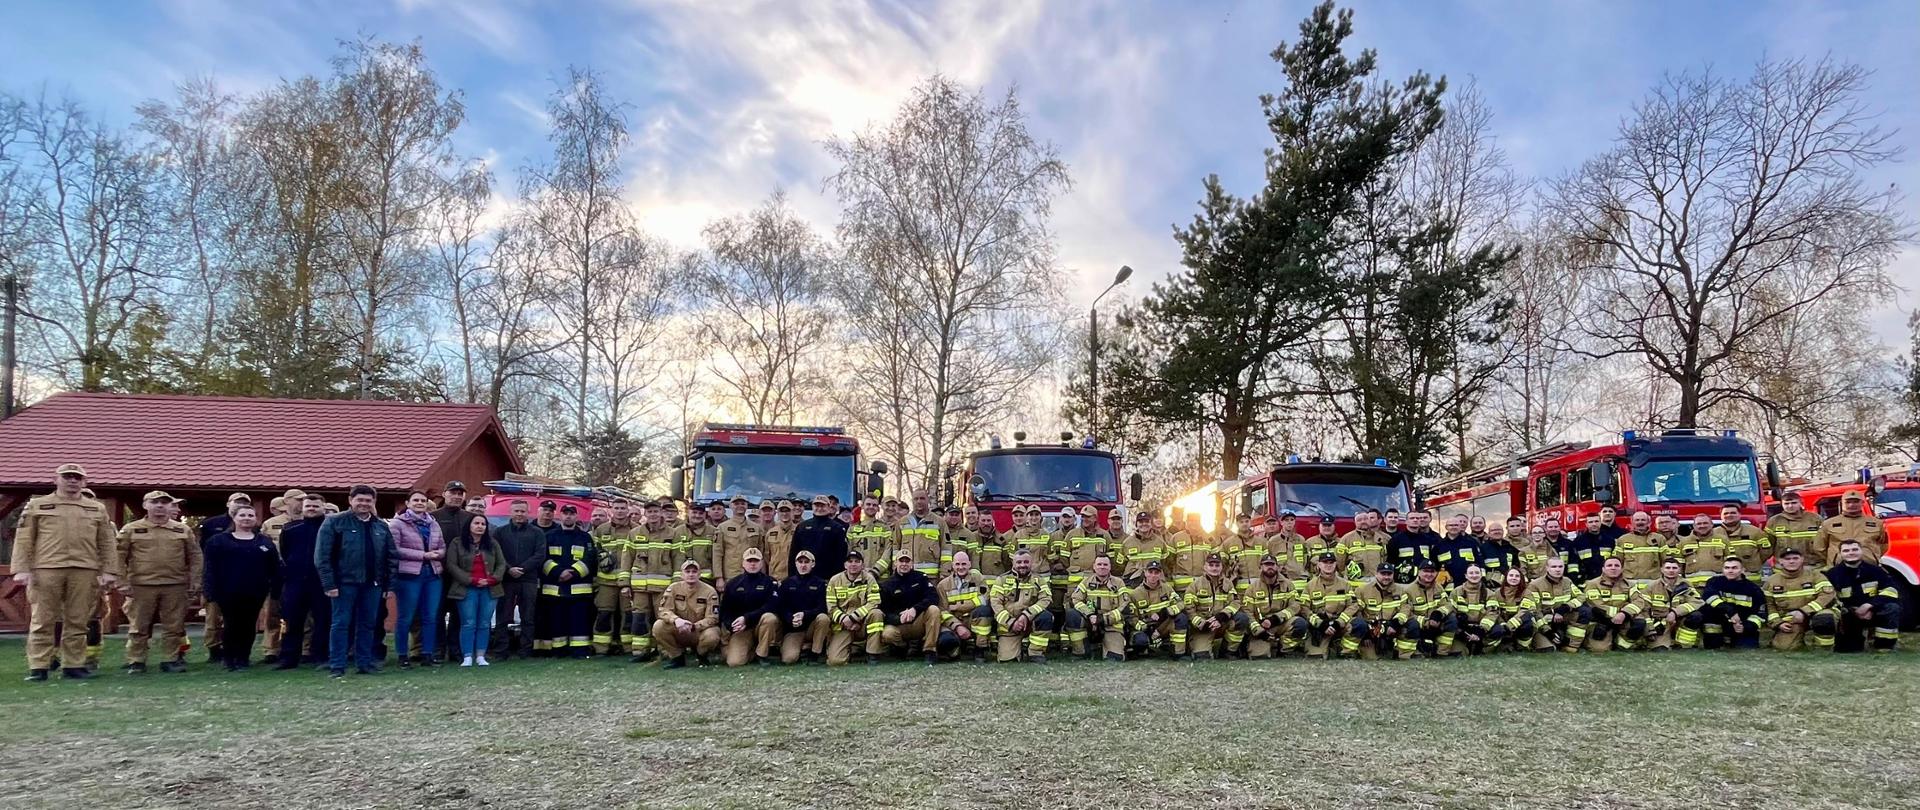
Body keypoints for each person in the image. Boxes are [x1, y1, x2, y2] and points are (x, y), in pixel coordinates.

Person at [13, 463, 119, 681]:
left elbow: (107, 542)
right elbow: (24, 539)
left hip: (84, 569)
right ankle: (39, 666)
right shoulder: (38, 505)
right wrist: (22, 569)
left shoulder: (96, 508)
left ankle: (73, 665)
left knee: (78, 620)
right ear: (57, 480)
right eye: (67, 476)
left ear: (84, 482)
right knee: (43, 619)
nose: (72, 480)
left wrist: (109, 570)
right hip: (47, 568)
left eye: (77, 477)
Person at [116, 491, 199, 675]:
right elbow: (119, 556)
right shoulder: (131, 529)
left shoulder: (182, 529)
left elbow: (194, 557)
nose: (160, 506)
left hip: (175, 584)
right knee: (139, 626)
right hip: (141, 585)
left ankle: (170, 660)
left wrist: (194, 581)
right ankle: (136, 661)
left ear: (170, 506)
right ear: (146, 505)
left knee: (174, 626)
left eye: (164, 502)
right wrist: (121, 582)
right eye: (155, 502)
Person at [318, 485, 393, 678]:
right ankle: (337, 665)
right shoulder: (335, 522)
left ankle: (364, 663)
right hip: (344, 583)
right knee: (341, 624)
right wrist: (329, 584)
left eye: (368, 500)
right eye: (360, 500)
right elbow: (322, 556)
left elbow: (390, 557)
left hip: (372, 584)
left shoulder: (381, 526)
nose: (364, 504)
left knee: (368, 624)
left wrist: (388, 585)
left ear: (373, 503)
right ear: (350, 500)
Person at [202, 505, 281, 670]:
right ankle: (229, 659)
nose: (247, 518)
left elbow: (274, 568)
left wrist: (275, 588)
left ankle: (243, 657)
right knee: (231, 624)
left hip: (255, 591)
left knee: (248, 625)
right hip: (227, 591)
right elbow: (210, 568)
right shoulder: (218, 541)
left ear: (255, 519)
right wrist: (209, 590)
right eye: (242, 515)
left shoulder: (264, 542)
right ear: (234, 518)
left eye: (251, 515)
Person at [389, 491, 447, 668]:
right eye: (416, 500)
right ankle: (402, 655)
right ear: (408, 503)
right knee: (406, 617)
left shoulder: (433, 523)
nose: (420, 503)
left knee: (430, 617)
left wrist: (439, 553)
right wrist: (423, 555)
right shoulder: (398, 523)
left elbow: (442, 546)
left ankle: (427, 654)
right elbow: (395, 549)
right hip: (409, 575)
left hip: (432, 575)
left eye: (423, 500)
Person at [273, 494, 330, 669]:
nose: (312, 508)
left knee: (323, 621)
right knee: (292, 622)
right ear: (303, 508)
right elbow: (285, 552)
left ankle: (320, 657)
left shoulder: (330, 528)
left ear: (323, 508)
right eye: (308, 506)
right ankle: (288, 658)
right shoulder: (290, 529)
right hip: (295, 582)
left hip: (322, 582)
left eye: (315, 506)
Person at [196, 492, 250, 664]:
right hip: (216, 577)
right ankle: (213, 649)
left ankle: (235, 651)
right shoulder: (211, 524)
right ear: (228, 504)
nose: (240, 505)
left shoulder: (252, 526)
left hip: (240, 579)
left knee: (238, 619)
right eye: (237, 502)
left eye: (244, 503)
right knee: (213, 618)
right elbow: (200, 552)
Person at [535, 505, 596, 658]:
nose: (568, 517)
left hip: (580, 590)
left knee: (580, 622)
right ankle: (559, 651)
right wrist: (558, 572)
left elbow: (590, 559)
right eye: (565, 514)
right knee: (557, 622)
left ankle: (580, 651)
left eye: (571, 514)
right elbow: (542, 558)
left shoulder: (585, 538)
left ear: (576, 517)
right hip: (555, 589)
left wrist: (574, 573)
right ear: (560, 516)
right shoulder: (549, 537)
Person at [445, 514, 505, 667]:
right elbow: (452, 565)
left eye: (483, 524)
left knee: (484, 623)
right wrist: (471, 580)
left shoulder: (493, 543)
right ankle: (467, 657)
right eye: (476, 523)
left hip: (490, 589)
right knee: (468, 623)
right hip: (466, 589)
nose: (480, 526)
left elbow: (501, 564)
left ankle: (480, 656)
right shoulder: (457, 543)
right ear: (469, 526)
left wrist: (492, 579)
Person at [490, 499, 546, 660]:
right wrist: (509, 569)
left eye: (522, 511)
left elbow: (540, 554)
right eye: (516, 511)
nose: (519, 514)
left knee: (528, 617)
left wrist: (523, 568)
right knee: (503, 617)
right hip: (506, 580)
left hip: (528, 579)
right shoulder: (500, 532)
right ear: (511, 512)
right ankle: (501, 651)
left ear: (528, 512)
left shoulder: (537, 533)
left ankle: (525, 651)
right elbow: (496, 554)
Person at [1826, 539, 1901, 653]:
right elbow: (1830, 599)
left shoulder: (1877, 571)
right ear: (1840, 554)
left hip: (1873, 611)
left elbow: (1891, 591)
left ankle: (1884, 647)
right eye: (1846, 550)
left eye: (1855, 549)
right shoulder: (1832, 574)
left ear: (1862, 551)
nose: (1851, 553)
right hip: (1848, 615)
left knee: (1892, 608)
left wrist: (1870, 606)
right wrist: (1853, 610)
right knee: (1849, 650)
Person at [871, 549, 942, 664]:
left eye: (907, 561)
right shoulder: (887, 584)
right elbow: (884, 612)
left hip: (918, 621)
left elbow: (933, 597)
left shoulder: (921, 578)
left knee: (934, 610)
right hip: (899, 625)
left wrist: (915, 609)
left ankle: (930, 651)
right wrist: (898, 618)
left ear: (912, 563)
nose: (904, 564)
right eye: (901, 561)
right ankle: (902, 648)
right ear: (895, 563)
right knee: (887, 634)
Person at [624, 500, 673, 662]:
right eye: (650, 512)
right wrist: (624, 583)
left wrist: (677, 583)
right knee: (639, 618)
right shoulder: (634, 533)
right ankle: (640, 651)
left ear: (661, 513)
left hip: (664, 586)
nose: (653, 514)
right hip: (639, 587)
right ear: (645, 514)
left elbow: (678, 559)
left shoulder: (672, 534)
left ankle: (665, 650)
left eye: (656, 511)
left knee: (663, 618)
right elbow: (627, 559)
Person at [1761, 547, 1835, 651]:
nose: (1792, 561)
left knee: (1824, 619)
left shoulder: (1816, 576)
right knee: (1785, 647)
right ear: (1780, 561)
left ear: (1802, 559)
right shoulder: (1772, 581)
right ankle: (1795, 642)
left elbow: (1826, 596)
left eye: (1795, 558)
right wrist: (1778, 623)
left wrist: (1803, 612)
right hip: (1790, 618)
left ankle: (1823, 649)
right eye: (1787, 559)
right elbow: (1769, 606)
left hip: (1816, 613)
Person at [989, 548, 1054, 664]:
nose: (1022, 565)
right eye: (1019, 562)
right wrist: (1011, 622)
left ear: (1031, 563)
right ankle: (1018, 648)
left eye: (1026, 562)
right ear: (1013, 563)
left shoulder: (1039, 580)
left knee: (1046, 616)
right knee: (1008, 659)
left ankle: (1035, 653)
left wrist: (1026, 615)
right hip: (1009, 628)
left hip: (1030, 624)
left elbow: (1046, 599)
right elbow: (995, 604)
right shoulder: (1001, 580)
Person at [590, 498, 637, 656]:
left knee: (629, 614)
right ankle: (601, 648)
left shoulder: (636, 530)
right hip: (605, 582)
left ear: (628, 510)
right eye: (617, 508)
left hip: (629, 582)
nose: (620, 511)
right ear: (611, 511)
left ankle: (629, 647)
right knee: (604, 614)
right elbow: (593, 554)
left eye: (623, 508)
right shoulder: (601, 530)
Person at [718, 548, 780, 667]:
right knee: (734, 662)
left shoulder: (770, 582)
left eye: (756, 561)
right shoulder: (733, 584)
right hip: (742, 629)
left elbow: (772, 606)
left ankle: (762, 654)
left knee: (770, 618)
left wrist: (747, 618)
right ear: (743, 563)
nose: (753, 564)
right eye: (749, 561)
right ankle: (752, 652)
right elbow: (725, 610)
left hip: (760, 625)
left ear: (761, 563)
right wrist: (732, 625)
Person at [655, 559, 722, 669]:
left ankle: (701, 655)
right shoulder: (673, 588)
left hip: (699, 631)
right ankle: (677, 657)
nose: (691, 574)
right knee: (658, 626)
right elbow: (663, 611)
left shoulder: (710, 591)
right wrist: (676, 620)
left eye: (694, 572)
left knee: (713, 635)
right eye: (687, 571)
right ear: (682, 574)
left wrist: (694, 626)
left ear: (699, 574)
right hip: (679, 629)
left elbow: (713, 618)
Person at [1066, 553, 1131, 661]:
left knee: (1115, 658)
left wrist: (1102, 619)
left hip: (1111, 625)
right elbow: (1075, 599)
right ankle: (1081, 651)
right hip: (1090, 624)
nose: (1102, 567)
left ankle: (1109, 647)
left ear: (1110, 567)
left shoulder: (1119, 583)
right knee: (1072, 614)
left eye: (1105, 564)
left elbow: (1125, 607)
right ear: (1094, 566)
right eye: (1099, 564)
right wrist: (1090, 614)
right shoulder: (1086, 582)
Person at [1624, 560, 1699, 650]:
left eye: (1674, 568)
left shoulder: (1686, 585)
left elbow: (1696, 602)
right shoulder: (1651, 586)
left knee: (1696, 615)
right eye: (1668, 568)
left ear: (1679, 570)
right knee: (1660, 649)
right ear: (1662, 569)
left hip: (1679, 621)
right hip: (1660, 624)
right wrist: (1650, 630)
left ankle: (1683, 645)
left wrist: (1675, 613)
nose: (1671, 570)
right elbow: (1644, 609)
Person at [1295, 552, 1356, 659]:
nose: (1328, 565)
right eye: (1325, 562)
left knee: (1359, 624)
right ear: (1318, 565)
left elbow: (1353, 606)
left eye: (1331, 562)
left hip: (1339, 624)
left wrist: (1339, 622)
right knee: (1317, 656)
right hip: (1319, 627)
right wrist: (1320, 624)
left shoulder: (1345, 584)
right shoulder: (1310, 585)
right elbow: (1304, 608)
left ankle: (1344, 649)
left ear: (1335, 564)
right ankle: (1323, 646)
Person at [825, 551, 881, 666]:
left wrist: (855, 618)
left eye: (857, 561)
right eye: (850, 561)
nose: (853, 564)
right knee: (835, 661)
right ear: (845, 565)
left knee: (876, 613)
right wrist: (845, 620)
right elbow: (831, 607)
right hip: (843, 626)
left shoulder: (869, 579)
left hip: (862, 623)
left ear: (862, 565)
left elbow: (874, 602)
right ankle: (850, 651)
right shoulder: (834, 581)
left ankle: (872, 654)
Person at [936, 549, 992, 662]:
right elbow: (943, 611)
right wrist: (957, 626)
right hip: (954, 622)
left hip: (973, 619)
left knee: (984, 611)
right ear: (952, 565)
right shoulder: (942, 585)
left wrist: (959, 606)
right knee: (945, 641)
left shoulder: (978, 579)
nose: (960, 567)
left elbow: (984, 599)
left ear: (969, 564)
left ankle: (979, 649)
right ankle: (956, 649)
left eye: (964, 564)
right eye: (957, 564)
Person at [776, 549, 831, 664]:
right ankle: (803, 647)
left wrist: (804, 614)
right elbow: (780, 607)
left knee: (823, 618)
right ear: (795, 564)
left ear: (813, 564)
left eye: (806, 562)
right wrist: (791, 618)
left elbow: (822, 607)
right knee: (789, 659)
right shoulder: (787, 583)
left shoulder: (820, 584)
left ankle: (815, 653)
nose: (803, 565)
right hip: (793, 629)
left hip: (812, 626)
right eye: (800, 562)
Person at [1697, 559, 1765, 649]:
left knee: (1746, 649)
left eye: (1734, 568)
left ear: (1743, 570)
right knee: (1707, 610)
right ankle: (1715, 641)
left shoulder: (1754, 589)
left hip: (1741, 625)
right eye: (1727, 568)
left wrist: (1746, 626)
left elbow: (1760, 614)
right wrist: (1730, 611)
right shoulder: (1714, 582)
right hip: (1719, 624)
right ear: (1722, 570)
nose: (1730, 571)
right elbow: (1709, 597)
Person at [1183, 551, 1240, 660]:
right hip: (1203, 627)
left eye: (1217, 565)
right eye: (1211, 565)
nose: (1214, 568)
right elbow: (1189, 609)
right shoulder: (1195, 585)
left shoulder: (1228, 584)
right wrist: (1201, 623)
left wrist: (1222, 616)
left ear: (1221, 567)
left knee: (1241, 619)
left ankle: (1227, 651)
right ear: (1205, 567)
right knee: (1202, 657)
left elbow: (1235, 602)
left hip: (1221, 623)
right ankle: (1197, 645)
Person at [1238, 555, 1296, 659]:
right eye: (1266, 565)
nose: (1270, 567)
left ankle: (1285, 650)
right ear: (1260, 567)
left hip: (1280, 623)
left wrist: (1275, 619)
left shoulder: (1288, 585)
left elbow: (1295, 606)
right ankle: (1250, 644)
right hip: (1261, 627)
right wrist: (1259, 631)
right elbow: (1247, 612)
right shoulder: (1252, 588)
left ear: (1277, 567)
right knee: (1259, 656)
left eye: (1272, 564)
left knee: (1299, 623)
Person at [1522, 557, 1585, 652]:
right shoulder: (1535, 585)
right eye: (1554, 566)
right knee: (1548, 649)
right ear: (1547, 568)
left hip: (1562, 617)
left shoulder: (1567, 581)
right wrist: (1547, 631)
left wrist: (1566, 607)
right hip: (1543, 621)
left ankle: (1571, 644)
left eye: (1560, 566)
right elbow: (1535, 611)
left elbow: (1581, 596)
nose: (1558, 569)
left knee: (1584, 611)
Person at [1128, 560, 1187, 659]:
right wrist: (1144, 628)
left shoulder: (1167, 588)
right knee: (1140, 641)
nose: (1153, 575)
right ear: (1145, 573)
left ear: (1160, 574)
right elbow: (1131, 617)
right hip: (1145, 628)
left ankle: (1178, 653)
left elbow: (1180, 603)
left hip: (1162, 627)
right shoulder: (1135, 593)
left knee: (1181, 618)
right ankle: (1144, 649)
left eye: (1156, 573)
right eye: (1150, 572)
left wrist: (1165, 612)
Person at [1351, 563, 1409, 659]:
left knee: (1412, 625)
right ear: (1376, 574)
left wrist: (1396, 623)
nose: (1386, 577)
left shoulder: (1401, 591)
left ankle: (1401, 651)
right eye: (1383, 574)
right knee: (1372, 658)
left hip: (1391, 628)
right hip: (1370, 630)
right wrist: (1365, 634)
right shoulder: (1362, 590)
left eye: (1389, 574)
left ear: (1393, 574)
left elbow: (1405, 608)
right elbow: (1357, 612)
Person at [1579, 557, 1636, 651]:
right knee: (1598, 649)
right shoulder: (1592, 584)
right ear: (1603, 569)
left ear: (1622, 569)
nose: (1613, 568)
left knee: (1635, 640)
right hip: (1601, 621)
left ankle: (1617, 641)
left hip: (1623, 620)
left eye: (1617, 565)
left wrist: (1624, 614)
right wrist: (1622, 610)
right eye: (1609, 565)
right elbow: (1596, 605)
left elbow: (1638, 602)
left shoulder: (1630, 585)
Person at [1816, 491, 1887, 565]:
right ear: (1842, 503)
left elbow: (1884, 545)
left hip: (1869, 566)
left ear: (1862, 503)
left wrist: (1871, 556)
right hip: (1838, 568)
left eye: (1856, 502)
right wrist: (1835, 558)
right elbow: (1819, 547)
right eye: (1848, 502)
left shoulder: (1877, 523)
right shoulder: (1828, 524)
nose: (1852, 505)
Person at [791, 496, 850, 580]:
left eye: (822, 506)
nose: (819, 508)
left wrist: (837, 578)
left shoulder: (837, 528)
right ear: (812, 507)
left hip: (828, 577)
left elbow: (840, 556)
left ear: (829, 507)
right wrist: (793, 576)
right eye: (817, 505)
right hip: (804, 576)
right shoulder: (802, 527)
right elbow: (794, 553)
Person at [1404, 561, 1455, 657]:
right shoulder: (1409, 590)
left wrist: (1438, 614)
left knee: (1452, 619)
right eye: (1426, 571)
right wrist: (1425, 622)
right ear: (1419, 572)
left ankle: (1442, 652)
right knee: (1411, 624)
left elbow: (1448, 604)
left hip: (1435, 624)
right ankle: (1415, 651)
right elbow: (1406, 613)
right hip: (1419, 626)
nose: (1429, 574)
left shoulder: (1438, 587)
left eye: (1432, 571)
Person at [1715, 504, 1769, 583]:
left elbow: (1766, 552)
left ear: (1740, 514)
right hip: (1722, 579)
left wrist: (1754, 562)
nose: (1729, 515)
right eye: (1726, 513)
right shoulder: (1713, 534)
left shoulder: (1755, 532)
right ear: (1721, 516)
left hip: (1751, 579)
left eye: (1733, 513)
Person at [1764, 496, 1823, 569]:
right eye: (1786, 503)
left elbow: (1824, 542)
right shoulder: (1774, 521)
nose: (1790, 506)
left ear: (1801, 503)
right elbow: (1768, 545)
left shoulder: (1815, 519)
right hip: (1783, 567)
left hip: (1812, 565)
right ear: (1782, 504)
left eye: (1794, 503)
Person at [1451, 564, 1497, 655]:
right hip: (1463, 629)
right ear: (1466, 575)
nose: (1474, 575)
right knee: (1460, 652)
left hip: (1481, 628)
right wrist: (1461, 631)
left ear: (1481, 574)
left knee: (1498, 630)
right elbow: (1451, 610)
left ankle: (1482, 648)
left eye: (1477, 573)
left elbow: (1492, 613)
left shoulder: (1489, 593)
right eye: (1471, 573)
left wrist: (1481, 630)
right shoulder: (1456, 591)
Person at [1613, 511, 1670, 583]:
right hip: (1630, 581)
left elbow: (1666, 560)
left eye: (1643, 520)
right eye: (1637, 520)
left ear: (1649, 522)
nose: (1640, 522)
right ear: (1632, 522)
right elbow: (1617, 561)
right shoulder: (1623, 540)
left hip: (1654, 581)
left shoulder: (1659, 538)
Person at [1387, 510, 1442, 584]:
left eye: (1417, 518)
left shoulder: (1428, 540)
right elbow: (1390, 562)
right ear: (1406, 521)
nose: (1415, 520)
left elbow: (1433, 561)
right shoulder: (1396, 539)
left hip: (1423, 581)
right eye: (1412, 518)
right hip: (1403, 582)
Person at [1488, 567, 1534, 653]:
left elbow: (1525, 611)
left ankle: (1522, 646)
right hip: (1503, 623)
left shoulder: (1527, 593)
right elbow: (1495, 612)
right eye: (1511, 575)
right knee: (1495, 630)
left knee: (1528, 624)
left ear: (1521, 579)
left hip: (1519, 623)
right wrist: (1502, 624)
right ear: (1506, 578)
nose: (1513, 578)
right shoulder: (1497, 593)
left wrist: (1509, 626)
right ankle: (1502, 644)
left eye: (1517, 576)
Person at [1337, 510, 1389, 586]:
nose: (1363, 521)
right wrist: (1346, 575)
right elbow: (1339, 561)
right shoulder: (1346, 539)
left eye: (1365, 519)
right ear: (1355, 523)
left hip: (1377, 583)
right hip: (1356, 585)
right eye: (1359, 520)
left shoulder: (1383, 538)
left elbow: (1388, 559)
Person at [1679, 513, 1727, 588]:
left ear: (1712, 524)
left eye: (1705, 523)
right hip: (1692, 588)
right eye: (1699, 524)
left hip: (1718, 586)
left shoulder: (1723, 540)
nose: (1702, 526)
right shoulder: (1684, 542)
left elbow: (1731, 563)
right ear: (1694, 526)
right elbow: (1679, 568)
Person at [1434, 514, 1479, 586]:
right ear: (1446, 527)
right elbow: (1435, 565)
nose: (1453, 527)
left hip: (1468, 583)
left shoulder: (1471, 543)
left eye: (1456, 525)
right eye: (1451, 525)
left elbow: (1479, 561)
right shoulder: (1439, 546)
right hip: (1447, 585)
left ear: (1460, 527)